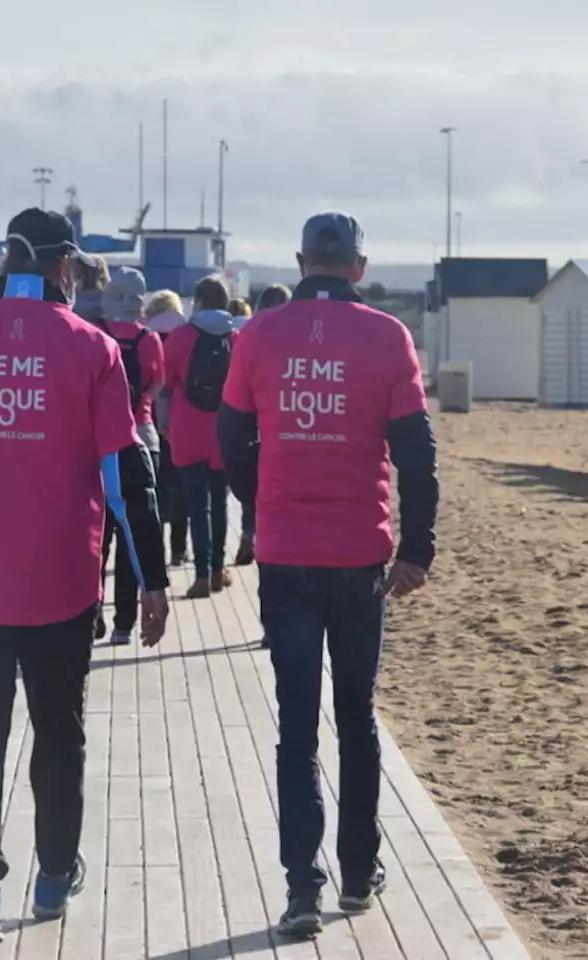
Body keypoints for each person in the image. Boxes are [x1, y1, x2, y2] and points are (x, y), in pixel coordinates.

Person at [0, 207, 170, 945]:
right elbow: (123, 476)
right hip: (61, 584)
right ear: (61, 266)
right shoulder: (92, 348)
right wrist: (150, 578)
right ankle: (52, 877)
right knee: (59, 733)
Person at [218, 212, 438, 939]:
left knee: (296, 726)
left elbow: (230, 436)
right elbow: (416, 453)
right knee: (355, 718)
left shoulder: (259, 334)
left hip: (287, 554)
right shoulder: (387, 337)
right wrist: (418, 550)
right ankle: (356, 871)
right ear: (360, 267)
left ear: (301, 261)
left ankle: (300, 888)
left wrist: (261, 505)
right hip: (358, 556)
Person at [93, 266, 165, 645]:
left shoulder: (95, 334)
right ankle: (124, 622)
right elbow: (155, 384)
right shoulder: (148, 339)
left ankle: (93, 610)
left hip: (99, 444)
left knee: (98, 535)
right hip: (140, 437)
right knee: (133, 534)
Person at [164, 275, 237, 598]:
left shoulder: (180, 337)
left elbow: (165, 387)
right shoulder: (236, 339)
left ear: (199, 301)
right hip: (223, 429)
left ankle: (202, 574)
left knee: (197, 505)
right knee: (220, 502)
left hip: (188, 427)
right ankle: (220, 570)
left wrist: (164, 425)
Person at [231, 285, 293, 570]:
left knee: (252, 488)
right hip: (282, 424)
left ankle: (248, 533)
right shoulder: (294, 339)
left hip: (251, 423)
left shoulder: (251, 336)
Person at [144, 290, 190, 566]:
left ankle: (157, 549)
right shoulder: (186, 334)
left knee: (157, 486)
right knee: (181, 489)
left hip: (151, 418)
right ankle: (179, 549)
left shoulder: (147, 334)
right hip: (182, 418)